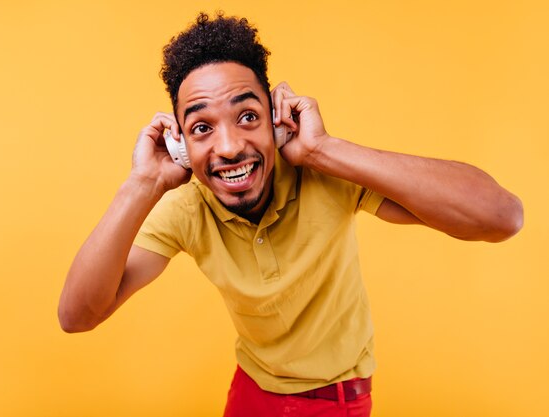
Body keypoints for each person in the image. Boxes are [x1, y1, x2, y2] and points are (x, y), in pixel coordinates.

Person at [58, 12, 523, 417]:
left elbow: (501, 216)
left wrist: (323, 150)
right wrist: (143, 184)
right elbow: (78, 314)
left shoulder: (329, 175)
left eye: (247, 117)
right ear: (179, 143)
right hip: (251, 392)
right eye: (201, 127)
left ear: (276, 119)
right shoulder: (186, 207)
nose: (229, 146)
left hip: (337, 402)